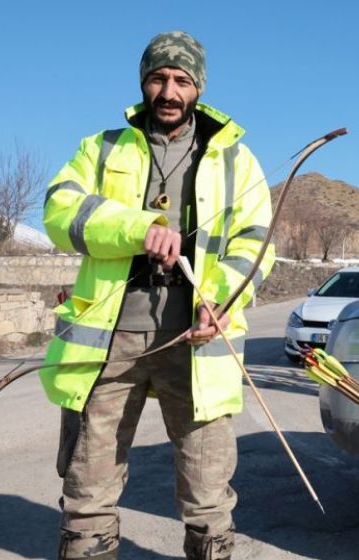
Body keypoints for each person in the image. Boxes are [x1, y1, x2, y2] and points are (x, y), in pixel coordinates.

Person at [41, 31, 274, 560]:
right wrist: (138, 229)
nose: (169, 91)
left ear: (199, 87)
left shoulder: (236, 160)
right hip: (108, 343)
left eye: (182, 80)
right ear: (143, 82)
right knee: (87, 489)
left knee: (208, 492)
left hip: (195, 343)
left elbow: (257, 244)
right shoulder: (99, 148)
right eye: (159, 78)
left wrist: (224, 301)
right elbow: (59, 212)